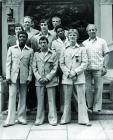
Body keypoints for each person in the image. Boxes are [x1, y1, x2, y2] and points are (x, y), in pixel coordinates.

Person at [60, 29, 91, 126]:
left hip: (79, 76)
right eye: (70, 35)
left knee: (81, 99)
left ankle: (84, 119)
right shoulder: (64, 49)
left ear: (77, 37)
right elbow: (61, 63)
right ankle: (65, 119)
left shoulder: (82, 49)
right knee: (67, 99)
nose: (72, 37)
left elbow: (85, 63)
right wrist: (68, 73)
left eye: (74, 35)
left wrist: (75, 72)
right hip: (67, 77)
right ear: (68, 37)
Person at [3, 31, 33, 127]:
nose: (22, 38)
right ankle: (10, 120)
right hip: (13, 77)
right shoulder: (12, 49)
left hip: (24, 77)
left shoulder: (30, 51)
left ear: (26, 38)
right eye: (20, 37)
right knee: (12, 97)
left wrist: (29, 77)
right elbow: (8, 63)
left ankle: (21, 118)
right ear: (18, 37)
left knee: (23, 98)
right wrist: (7, 76)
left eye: (24, 37)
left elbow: (31, 66)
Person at [83, 24, 109, 113]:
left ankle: (97, 107)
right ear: (87, 32)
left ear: (96, 30)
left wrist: (104, 67)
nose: (92, 31)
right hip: (87, 69)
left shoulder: (102, 41)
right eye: (90, 30)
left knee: (98, 88)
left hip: (98, 68)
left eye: (93, 30)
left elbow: (106, 54)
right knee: (87, 88)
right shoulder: (84, 43)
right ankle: (89, 106)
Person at [32, 36, 58, 126]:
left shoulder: (53, 54)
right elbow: (34, 68)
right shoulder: (36, 54)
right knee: (40, 101)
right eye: (41, 43)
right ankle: (39, 119)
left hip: (50, 81)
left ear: (48, 43)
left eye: (44, 42)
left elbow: (55, 68)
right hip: (39, 81)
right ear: (39, 44)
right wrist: (39, 78)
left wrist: (48, 77)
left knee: (51, 100)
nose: (43, 44)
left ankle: (53, 119)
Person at [51, 25, 69, 111]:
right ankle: (60, 106)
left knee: (67, 87)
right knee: (59, 87)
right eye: (58, 32)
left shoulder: (69, 40)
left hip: (69, 67)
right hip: (58, 67)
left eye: (61, 31)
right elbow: (53, 55)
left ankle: (67, 106)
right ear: (56, 33)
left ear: (64, 31)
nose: (60, 32)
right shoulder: (54, 43)